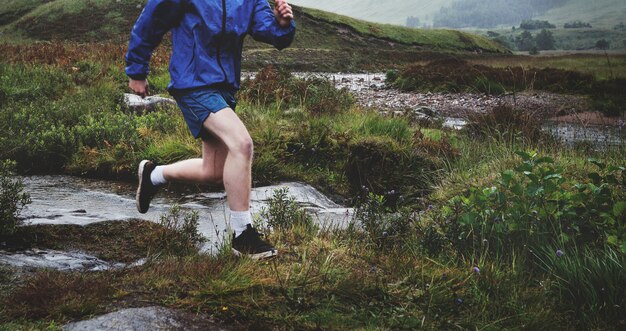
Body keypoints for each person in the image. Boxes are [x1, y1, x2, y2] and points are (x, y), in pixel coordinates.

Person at [125, 0, 296, 259]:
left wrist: (283, 24)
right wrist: (137, 70)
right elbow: (152, 21)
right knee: (242, 144)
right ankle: (243, 236)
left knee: (214, 171)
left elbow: (268, 31)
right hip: (193, 82)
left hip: (225, 86)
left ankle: (153, 175)